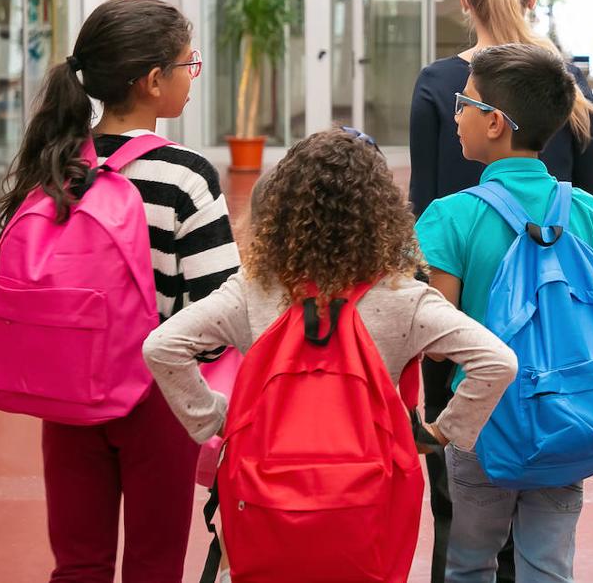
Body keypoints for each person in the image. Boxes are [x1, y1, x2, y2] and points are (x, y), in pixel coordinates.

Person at [142, 127, 518, 579]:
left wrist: (218, 420)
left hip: (264, 500)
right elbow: (497, 362)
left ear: (282, 210)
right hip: (367, 504)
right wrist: (442, 432)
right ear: (381, 215)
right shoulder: (404, 298)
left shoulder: (253, 291)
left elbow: (163, 347)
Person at [0, 0, 240, 583]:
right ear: (154, 81)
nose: (192, 76)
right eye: (189, 65)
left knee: (77, 563)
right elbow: (218, 310)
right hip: (156, 398)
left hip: (66, 393)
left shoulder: (51, 163)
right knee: (153, 565)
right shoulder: (185, 174)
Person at [408, 0, 593, 583]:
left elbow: (423, 202)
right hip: (561, 371)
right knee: (548, 543)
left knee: (466, 526)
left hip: (468, 344)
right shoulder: (564, 87)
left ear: (464, 0)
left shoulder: (441, 87)